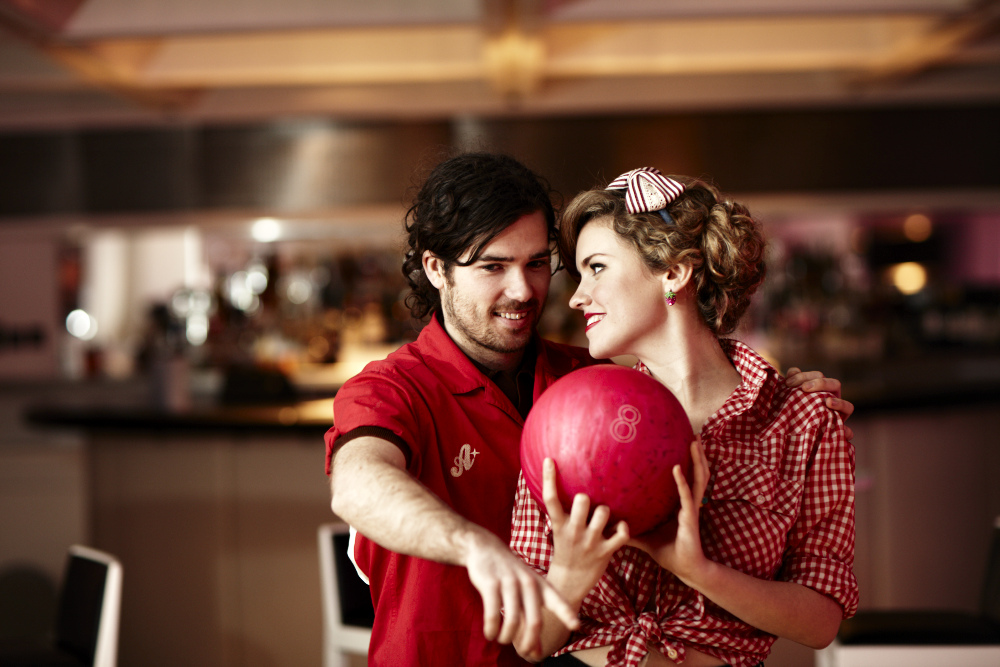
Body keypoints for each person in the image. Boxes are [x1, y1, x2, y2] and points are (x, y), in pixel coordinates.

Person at [325, 153, 852, 667]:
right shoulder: (393, 387)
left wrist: (791, 398)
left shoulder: (604, 389)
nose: (523, 289)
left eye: (537, 264)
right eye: (493, 266)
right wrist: (474, 547)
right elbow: (358, 484)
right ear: (436, 269)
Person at [510, 167, 859, 667]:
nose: (577, 296)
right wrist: (571, 574)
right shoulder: (566, 418)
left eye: (597, 267)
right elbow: (527, 644)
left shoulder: (803, 421)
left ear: (674, 272)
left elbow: (821, 621)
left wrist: (695, 569)